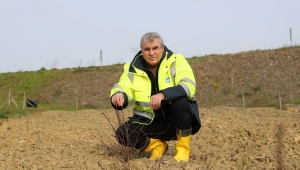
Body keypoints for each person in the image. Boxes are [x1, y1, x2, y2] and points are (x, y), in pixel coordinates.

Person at [110, 32, 201, 162]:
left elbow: (188, 86)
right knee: (122, 134)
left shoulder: (177, 60)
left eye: (155, 48)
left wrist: (164, 94)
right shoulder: (132, 69)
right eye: (147, 49)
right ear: (142, 50)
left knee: (181, 102)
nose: (151, 53)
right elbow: (123, 86)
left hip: (174, 121)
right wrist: (119, 94)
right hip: (147, 121)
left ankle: (183, 150)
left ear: (162, 48)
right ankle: (157, 146)